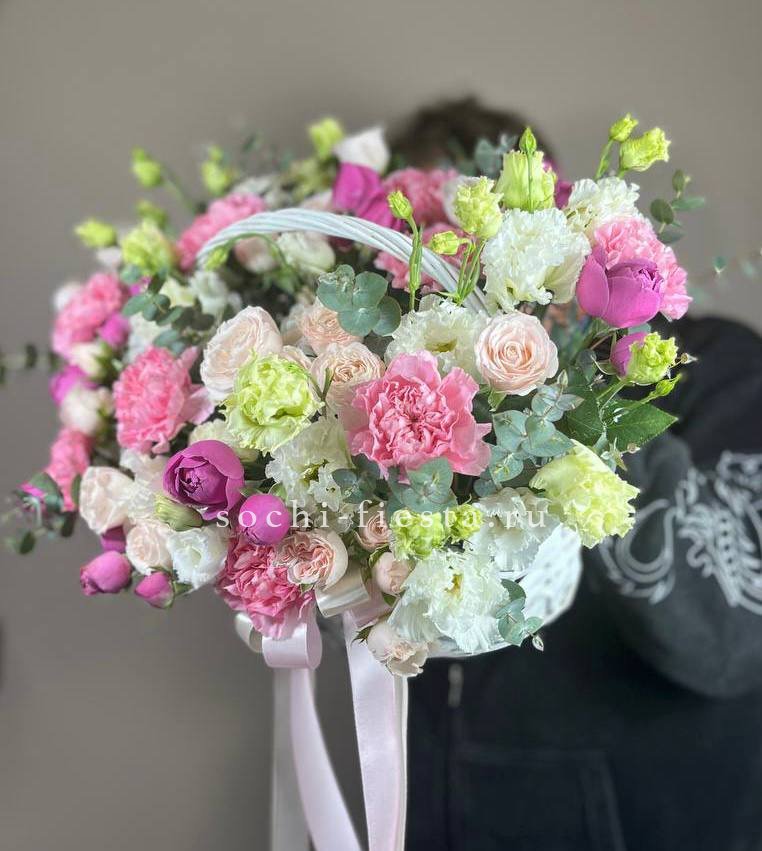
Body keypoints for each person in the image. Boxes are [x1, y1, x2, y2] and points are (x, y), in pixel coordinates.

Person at [392, 99, 762, 851]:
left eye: (481, 241)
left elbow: (725, 645)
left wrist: (580, 382)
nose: (461, 275)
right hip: (426, 808)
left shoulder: (717, 371)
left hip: (645, 816)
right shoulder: (398, 394)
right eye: (425, 250)